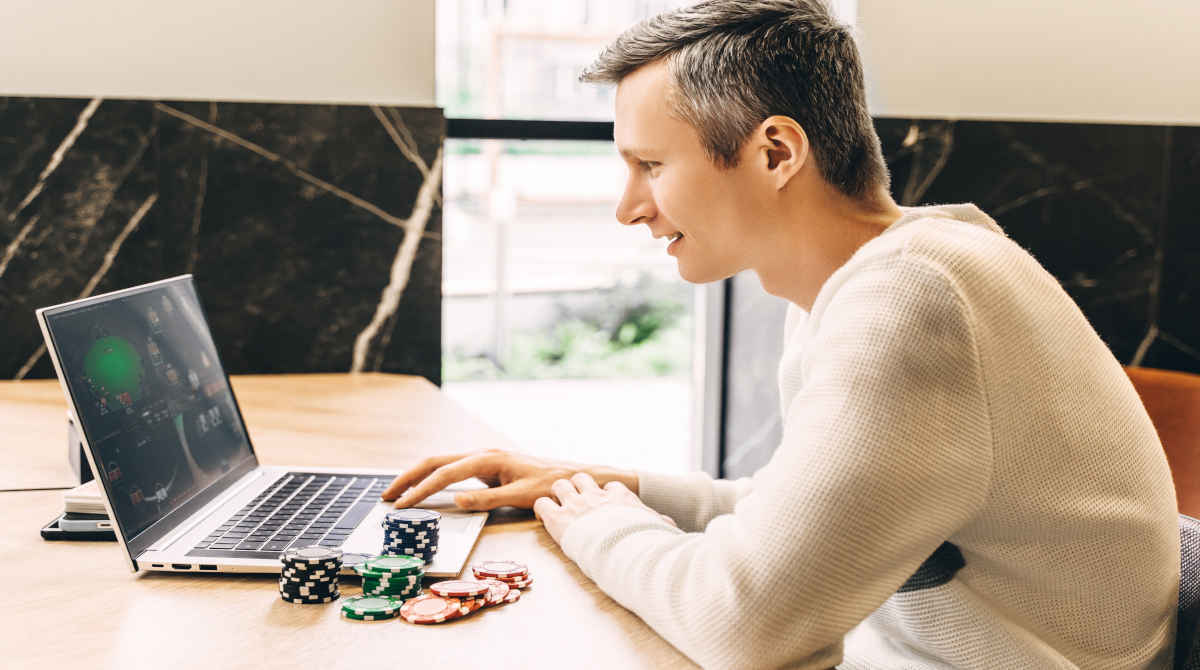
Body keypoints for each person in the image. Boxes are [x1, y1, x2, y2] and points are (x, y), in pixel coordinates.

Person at [382, 1, 1181, 667]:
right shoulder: (893, 270)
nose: (628, 207)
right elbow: (802, 517)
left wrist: (592, 520)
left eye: (650, 166)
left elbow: (743, 626)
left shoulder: (910, 303)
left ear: (774, 152)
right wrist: (599, 485)